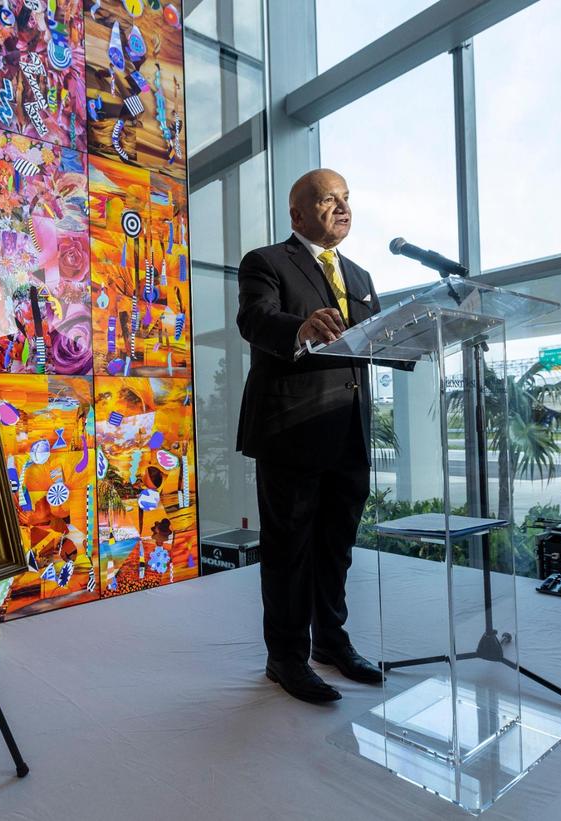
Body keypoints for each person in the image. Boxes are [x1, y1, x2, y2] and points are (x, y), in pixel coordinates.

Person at [236, 168, 385, 703]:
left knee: (336, 548)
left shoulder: (360, 276)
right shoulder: (266, 262)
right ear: (298, 213)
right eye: (328, 200)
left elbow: (373, 341)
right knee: (289, 551)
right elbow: (255, 320)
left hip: (348, 431)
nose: (342, 207)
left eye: (346, 198)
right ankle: (286, 658)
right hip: (290, 431)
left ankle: (331, 642)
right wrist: (297, 328)